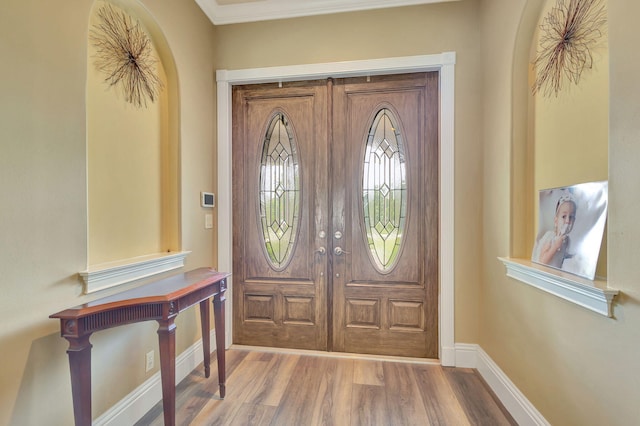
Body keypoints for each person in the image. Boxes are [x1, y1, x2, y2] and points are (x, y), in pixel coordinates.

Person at [532, 194, 577, 268]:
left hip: (555, 274)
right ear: (556, 221)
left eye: (571, 217)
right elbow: (542, 260)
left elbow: (563, 257)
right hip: (544, 273)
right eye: (564, 216)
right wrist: (555, 246)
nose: (567, 221)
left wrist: (571, 257)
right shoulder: (550, 236)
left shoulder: (567, 241)